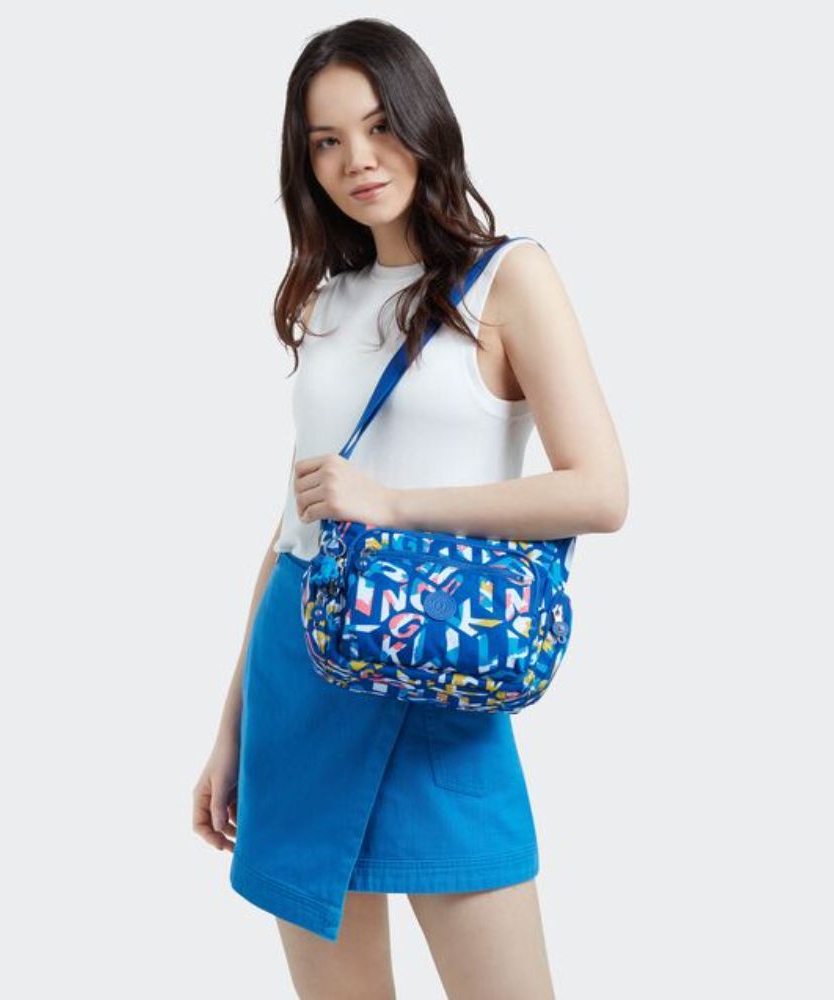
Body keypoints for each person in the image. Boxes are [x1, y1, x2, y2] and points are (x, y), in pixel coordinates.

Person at [193, 17, 629, 999]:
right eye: (326, 140)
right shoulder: (328, 297)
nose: (357, 159)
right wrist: (231, 725)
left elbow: (600, 491)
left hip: (439, 677)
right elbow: (298, 520)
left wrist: (391, 505)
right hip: (302, 674)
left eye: (380, 125)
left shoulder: (510, 276)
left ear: (425, 122)